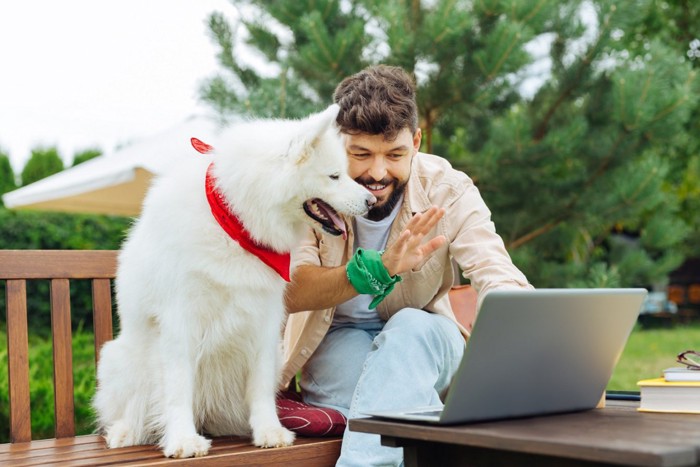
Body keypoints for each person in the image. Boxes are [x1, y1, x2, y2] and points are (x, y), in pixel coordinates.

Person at [282, 64, 532, 466]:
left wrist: (512, 314)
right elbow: (292, 289)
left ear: (416, 141)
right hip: (336, 337)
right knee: (395, 402)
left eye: (395, 154)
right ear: (334, 142)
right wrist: (377, 269)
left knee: (409, 329)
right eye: (360, 154)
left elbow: (494, 268)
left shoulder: (447, 187)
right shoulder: (308, 191)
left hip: (428, 336)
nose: (377, 173)